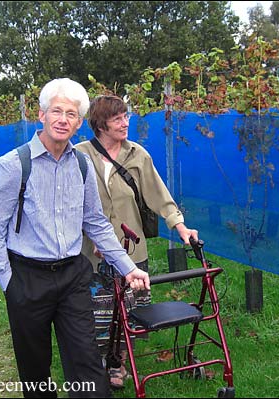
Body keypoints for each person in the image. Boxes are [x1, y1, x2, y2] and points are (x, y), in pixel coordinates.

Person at [0, 78, 150, 398]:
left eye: (71, 114)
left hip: (73, 276)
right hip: (27, 278)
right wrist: (10, 283)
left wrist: (128, 267)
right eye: (56, 111)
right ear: (41, 115)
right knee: (35, 369)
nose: (63, 119)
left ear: (79, 122)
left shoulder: (83, 165)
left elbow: (96, 223)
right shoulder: (11, 166)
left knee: (86, 362)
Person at [75, 95, 198, 389]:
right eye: (118, 119)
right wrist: (91, 235)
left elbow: (159, 194)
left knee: (127, 312)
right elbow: (70, 202)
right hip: (92, 253)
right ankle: (97, 364)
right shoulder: (80, 155)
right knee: (98, 314)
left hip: (131, 251)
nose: (125, 123)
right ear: (100, 124)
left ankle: (117, 364)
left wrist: (180, 226)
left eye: (126, 117)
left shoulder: (137, 155)